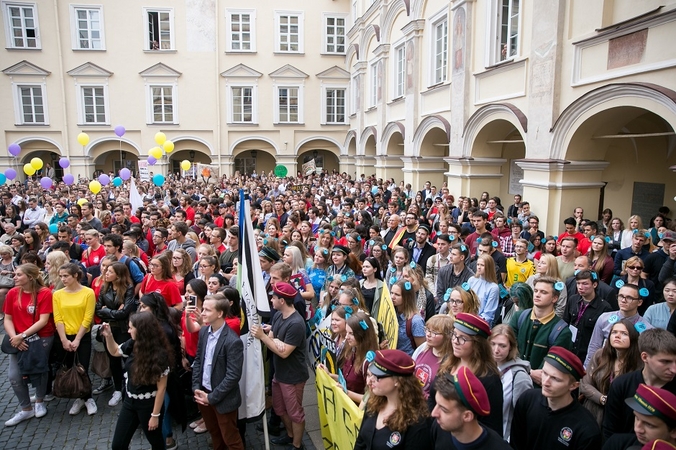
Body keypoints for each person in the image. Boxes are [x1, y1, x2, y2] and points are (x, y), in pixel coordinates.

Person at [101, 312, 172, 450]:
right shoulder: (133, 343)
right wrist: (109, 336)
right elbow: (115, 351)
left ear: (141, 330)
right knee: (118, 445)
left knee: (156, 443)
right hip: (129, 402)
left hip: (149, 406)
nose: (128, 331)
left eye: (131, 328)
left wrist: (155, 415)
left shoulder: (160, 355)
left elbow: (161, 388)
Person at [251, 282, 309, 450]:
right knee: (279, 408)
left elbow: (283, 352)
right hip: (280, 374)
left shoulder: (296, 324)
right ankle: (290, 435)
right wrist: (273, 340)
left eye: (274, 297)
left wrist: (264, 338)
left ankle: (297, 445)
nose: (271, 299)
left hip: (293, 376)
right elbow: (273, 336)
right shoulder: (277, 315)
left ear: (282, 301)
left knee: (295, 413)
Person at [510, 346, 602, 450]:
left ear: (573, 385)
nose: (546, 382)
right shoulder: (527, 400)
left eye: (555, 379)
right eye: (544, 373)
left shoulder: (586, 429)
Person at [430, 313, 503, 438]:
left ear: (477, 344)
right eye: (454, 335)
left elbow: (491, 425)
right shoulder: (447, 362)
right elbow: (432, 398)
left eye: (462, 338)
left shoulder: (489, 379)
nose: (455, 341)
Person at [2, 263, 55, 427]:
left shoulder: (44, 293)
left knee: (40, 369)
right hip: (18, 339)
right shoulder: (12, 293)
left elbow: (43, 320)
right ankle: (26, 408)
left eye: (18, 275)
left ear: (30, 277)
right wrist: (15, 337)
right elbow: (8, 318)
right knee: (14, 376)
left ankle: (39, 400)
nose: (14, 277)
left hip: (41, 337)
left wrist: (23, 335)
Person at [191, 294, 245, 450]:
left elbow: (233, 376)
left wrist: (211, 398)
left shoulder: (232, 341)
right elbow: (199, 361)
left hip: (222, 399)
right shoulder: (203, 332)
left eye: (207, 310)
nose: (202, 313)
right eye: (203, 309)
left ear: (220, 313)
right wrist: (196, 388)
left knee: (231, 439)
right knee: (215, 434)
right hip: (203, 395)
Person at [602, 328, 676, 439]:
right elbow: (609, 430)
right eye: (665, 362)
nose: (674, 369)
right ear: (645, 357)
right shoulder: (621, 385)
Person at [353, 349, 431, 450]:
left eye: (377, 377)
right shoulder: (373, 403)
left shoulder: (417, 422)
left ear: (397, 381)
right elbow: (361, 442)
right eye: (370, 375)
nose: (369, 382)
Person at [52, 262, 97, 416]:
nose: (63, 279)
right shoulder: (57, 294)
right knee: (68, 366)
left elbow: (88, 317)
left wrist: (77, 339)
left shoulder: (88, 292)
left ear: (75, 276)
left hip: (82, 336)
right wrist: (64, 340)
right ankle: (79, 397)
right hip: (64, 336)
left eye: (66, 276)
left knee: (82, 367)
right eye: (61, 276)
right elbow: (58, 318)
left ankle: (87, 397)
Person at [509, 276, 573, 386]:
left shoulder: (562, 332)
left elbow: (553, 367)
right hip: (512, 380)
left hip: (539, 389)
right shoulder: (519, 317)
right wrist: (529, 372)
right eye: (536, 291)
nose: (537, 294)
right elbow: (508, 350)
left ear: (554, 298)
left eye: (543, 292)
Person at [580, 319, 642, 427]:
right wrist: (602, 399)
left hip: (620, 417)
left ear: (633, 338)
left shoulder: (638, 363)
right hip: (593, 411)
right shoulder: (600, 355)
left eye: (624, 333)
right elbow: (585, 384)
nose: (617, 336)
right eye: (614, 332)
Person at [430, 367, 511, 450]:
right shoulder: (439, 427)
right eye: (437, 404)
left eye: (444, 410)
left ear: (467, 416)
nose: (433, 413)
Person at [94, 262, 136, 406]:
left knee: (126, 357)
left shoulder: (128, 289)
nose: (106, 273)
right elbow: (98, 309)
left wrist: (108, 311)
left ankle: (130, 385)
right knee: (113, 360)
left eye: (109, 271)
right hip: (109, 329)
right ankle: (117, 388)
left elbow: (125, 312)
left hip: (123, 329)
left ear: (118, 274)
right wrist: (115, 312)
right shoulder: (105, 288)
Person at [585, 283, 653, 368]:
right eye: (621, 296)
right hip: (604, 367)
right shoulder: (604, 318)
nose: (623, 300)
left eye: (629, 298)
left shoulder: (647, 329)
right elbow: (594, 346)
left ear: (639, 302)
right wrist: (588, 369)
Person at [488, 324, 532, 442]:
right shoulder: (486, 367)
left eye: (502, 346)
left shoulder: (520, 377)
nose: (496, 350)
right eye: (493, 344)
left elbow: (525, 418)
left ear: (511, 348)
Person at [602, 384, 676, 449]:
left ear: (674, 431)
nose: (637, 429)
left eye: (649, 425)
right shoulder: (617, 444)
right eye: (637, 418)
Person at [563, 270, 613, 364]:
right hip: (570, 348)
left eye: (585, 284)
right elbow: (565, 321)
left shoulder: (604, 307)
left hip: (587, 352)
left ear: (594, 285)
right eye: (578, 283)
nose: (580, 287)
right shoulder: (573, 299)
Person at [412, 314, 454, 399]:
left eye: (434, 332)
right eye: (427, 330)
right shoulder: (423, 348)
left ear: (447, 336)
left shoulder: (450, 360)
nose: (428, 334)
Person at [390, 279, 425, 355]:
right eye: (391, 293)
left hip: (408, 363)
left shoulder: (416, 321)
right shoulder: (392, 314)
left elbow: (422, 351)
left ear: (407, 297)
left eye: (397, 294)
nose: (392, 297)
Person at [467, 254, 500, 326]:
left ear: (489, 267)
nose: (479, 267)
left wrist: (474, 321)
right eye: (478, 264)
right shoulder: (471, 280)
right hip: (467, 318)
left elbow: (488, 314)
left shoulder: (493, 287)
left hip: (481, 323)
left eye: (482, 265)